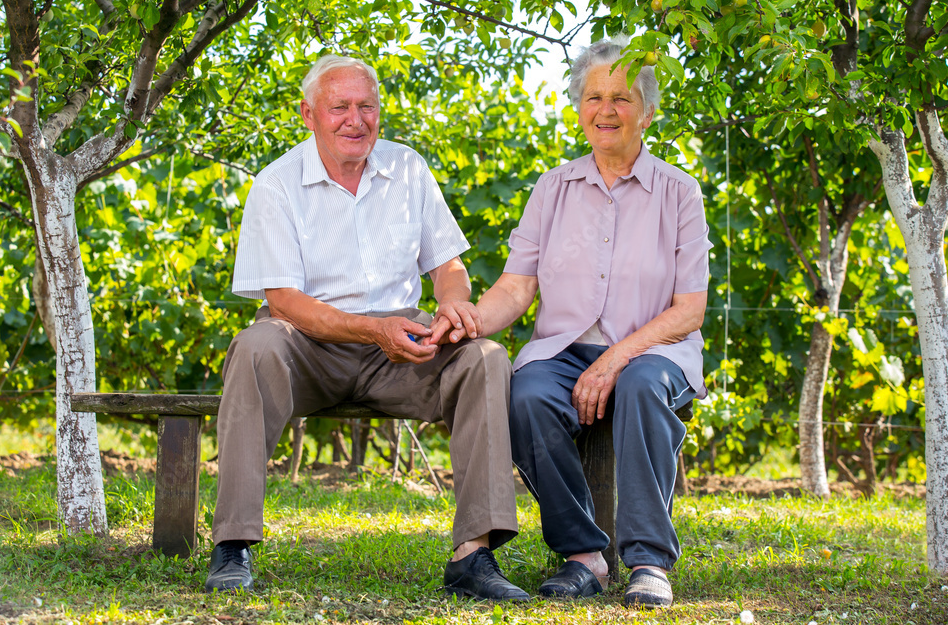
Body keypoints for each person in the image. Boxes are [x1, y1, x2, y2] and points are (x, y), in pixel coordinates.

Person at [204, 54, 527, 601]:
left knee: (486, 358)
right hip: (307, 343)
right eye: (340, 108)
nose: (355, 119)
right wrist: (370, 330)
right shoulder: (276, 184)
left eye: (366, 106)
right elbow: (282, 300)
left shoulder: (407, 168)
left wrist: (451, 308)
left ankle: (474, 554)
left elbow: (447, 265)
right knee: (255, 345)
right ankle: (232, 544)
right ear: (309, 115)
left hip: (401, 346)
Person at [428, 38, 712, 607]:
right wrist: (468, 320)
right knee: (526, 393)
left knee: (637, 384)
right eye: (594, 97)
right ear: (579, 108)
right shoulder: (553, 188)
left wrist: (613, 358)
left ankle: (649, 561)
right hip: (564, 351)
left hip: (655, 352)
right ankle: (583, 555)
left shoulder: (679, 192)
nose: (606, 110)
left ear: (647, 112)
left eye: (622, 98)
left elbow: (689, 309)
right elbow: (517, 286)